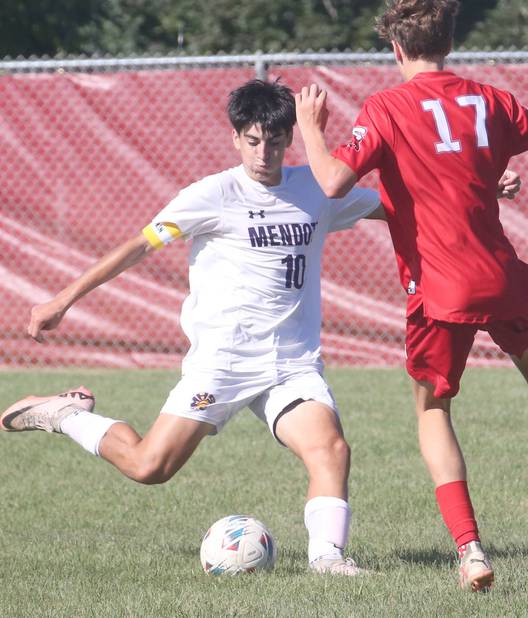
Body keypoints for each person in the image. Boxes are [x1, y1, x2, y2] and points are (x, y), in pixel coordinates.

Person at [294, 0, 528, 592]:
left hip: (438, 287)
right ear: (450, 42)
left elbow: (331, 182)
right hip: (500, 275)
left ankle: (471, 550)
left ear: (396, 49)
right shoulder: (492, 99)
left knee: (433, 409)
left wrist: (309, 127)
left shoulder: (386, 107)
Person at [1, 79, 386, 576]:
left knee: (330, 447)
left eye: (273, 141)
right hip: (223, 363)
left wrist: (482, 183)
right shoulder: (213, 194)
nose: (262, 153)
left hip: (291, 363)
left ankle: (328, 560)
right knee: (149, 467)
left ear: (291, 137)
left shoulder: (317, 188)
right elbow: (138, 246)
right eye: (252, 141)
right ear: (235, 139)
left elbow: (405, 205)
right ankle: (64, 415)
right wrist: (63, 299)